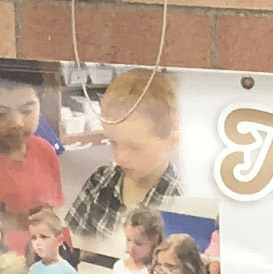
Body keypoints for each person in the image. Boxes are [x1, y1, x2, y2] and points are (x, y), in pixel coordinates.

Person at [62, 67, 185, 247]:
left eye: (134, 147)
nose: (120, 158)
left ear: (172, 141)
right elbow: (71, 240)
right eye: (113, 142)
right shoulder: (101, 180)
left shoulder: (181, 199)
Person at [0, 66, 62, 254]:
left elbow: (54, 211)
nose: (17, 122)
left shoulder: (45, 151)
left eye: (27, 110)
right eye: (0, 113)